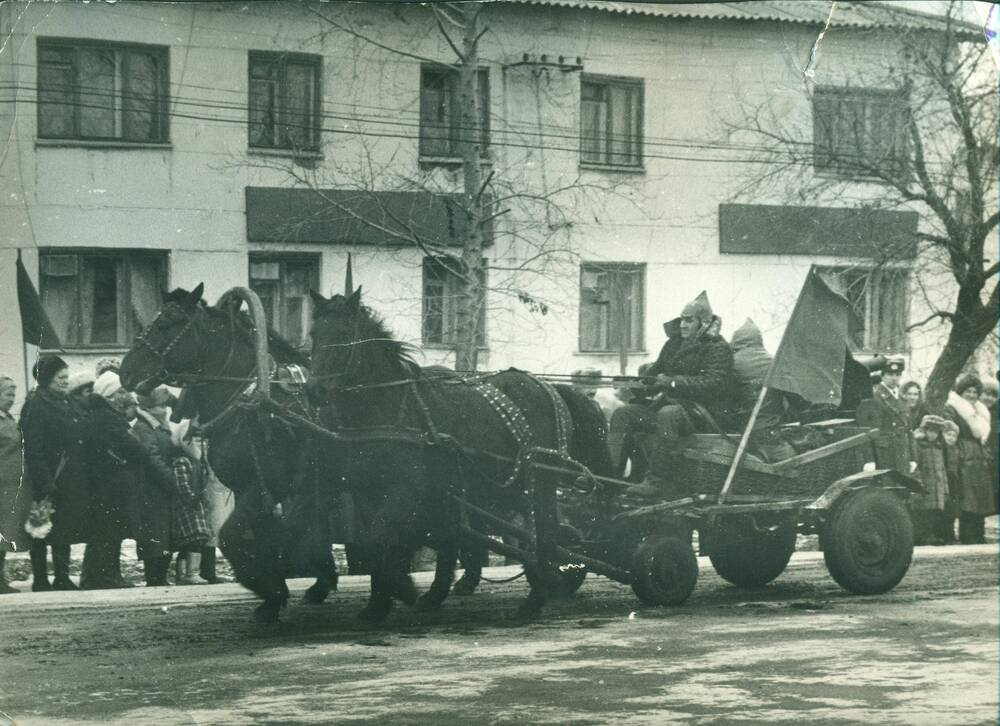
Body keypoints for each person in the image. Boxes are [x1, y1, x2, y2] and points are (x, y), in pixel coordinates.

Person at [607, 291, 734, 498]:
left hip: (702, 414)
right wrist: (636, 384)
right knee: (624, 413)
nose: (682, 325)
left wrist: (673, 382)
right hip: (673, 408)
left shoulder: (718, 348)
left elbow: (714, 383)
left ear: (703, 322)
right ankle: (609, 474)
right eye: (682, 319)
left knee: (668, 414)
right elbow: (654, 374)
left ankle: (658, 482)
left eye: (688, 320)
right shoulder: (673, 344)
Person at [19, 356, 90, 590]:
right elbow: (33, 446)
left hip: (67, 477)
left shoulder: (65, 402)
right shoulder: (36, 404)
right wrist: (45, 481)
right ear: (47, 378)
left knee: (64, 527)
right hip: (45, 477)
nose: (64, 382)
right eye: (60, 378)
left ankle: (62, 576)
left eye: (66, 378)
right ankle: (40, 579)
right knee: (41, 527)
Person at [79, 371, 143, 589]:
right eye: (121, 391)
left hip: (106, 483)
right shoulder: (107, 417)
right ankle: (107, 576)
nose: (125, 395)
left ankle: (96, 577)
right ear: (110, 395)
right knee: (108, 532)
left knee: (105, 532)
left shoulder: (104, 415)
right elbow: (131, 446)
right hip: (107, 484)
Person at [132, 385, 179, 586]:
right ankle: (154, 576)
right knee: (154, 534)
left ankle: (160, 575)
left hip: (162, 489)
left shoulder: (159, 424)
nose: (165, 410)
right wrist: (172, 479)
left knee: (165, 534)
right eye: (161, 405)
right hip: (150, 489)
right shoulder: (144, 427)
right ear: (150, 407)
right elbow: (153, 457)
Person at [729, 318, 794, 462]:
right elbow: (795, 399)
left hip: (739, 432)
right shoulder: (774, 362)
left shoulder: (730, 363)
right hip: (768, 432)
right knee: (793, 466)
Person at [944, 374, 994, 545]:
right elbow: (950, 432)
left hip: (979, 458)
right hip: (964, 457)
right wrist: (958, 454)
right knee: (968, 501)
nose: (971, 395)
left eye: (974, 392)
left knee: (980, 500)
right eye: (968, 391)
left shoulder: (980, 411)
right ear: (961, 392)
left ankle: (978, 534)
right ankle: (968, 535)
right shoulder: (952, 408)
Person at [169, 419, 212, 585]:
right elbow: (181, 484)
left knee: (194, 539)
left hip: (195, 504)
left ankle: (183, 573)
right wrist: (192, 497)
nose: (200, 443)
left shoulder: (198, 462)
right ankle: (190, 572)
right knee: (193, 539)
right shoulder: (182, 460)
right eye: (195, 439)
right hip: (187, 505)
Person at [0, 376, 31, 593]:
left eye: (13, 394)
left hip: (10, 486)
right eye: (7, 394)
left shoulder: (7, 417)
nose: (12, 399)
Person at [862, 356, 912, 474]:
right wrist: (869, 459)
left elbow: (909, 430)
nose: (894, 378)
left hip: (902, 452)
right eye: (890, 374)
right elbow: (867, 430)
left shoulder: (903, 399)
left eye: (897, 374)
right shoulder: (874, 397)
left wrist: (913, 457)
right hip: (883, 453)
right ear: (883, 376)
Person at [912, 415, 950, 545]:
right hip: (925, 485)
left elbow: (942, 470)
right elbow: (915, 467)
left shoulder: (938, 447)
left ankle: (930, 534)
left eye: (936, 432)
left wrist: (945, 488)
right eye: (930, 431)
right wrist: (918, 484)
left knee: (933, 513)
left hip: (937, 485)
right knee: (922, 512)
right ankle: (922, 536)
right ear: (925, 430)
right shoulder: (919, 446)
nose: (933, 434)